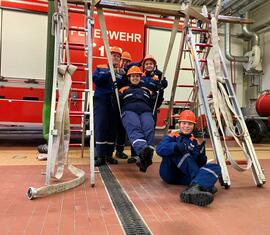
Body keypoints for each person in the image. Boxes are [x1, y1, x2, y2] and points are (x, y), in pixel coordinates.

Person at [156, 110, 221, 207]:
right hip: (169, 173)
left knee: (216, 167)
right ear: (179, 124)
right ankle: (203, 184)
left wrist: (201, 156)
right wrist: (175, 146)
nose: (186, 126)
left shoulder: (195, 142)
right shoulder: (172, 136)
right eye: (184, 123)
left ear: (193, 126)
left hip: (186, 176)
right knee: (180, 151)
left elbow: (198, 164)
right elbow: (159, 150)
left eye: (190, 124)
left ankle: (194, 189)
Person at [127, 54, 168, 164]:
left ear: (154, 65)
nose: (149, 65)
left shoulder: (159, 75)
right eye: (147, 64)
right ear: (143, 65)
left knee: (149, 129)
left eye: (151, 64)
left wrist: (161, 85)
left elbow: (162, 89)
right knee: (137, 128)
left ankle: (147, 154)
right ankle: (136, 154)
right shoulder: (140, 75)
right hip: (140, 104)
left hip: (151, 107)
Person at [119, 66, 155, 172]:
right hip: (129, 110)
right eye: (133, 76)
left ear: (140, 77)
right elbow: (116, 103)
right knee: (135, 127)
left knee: (149, 128)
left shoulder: (146, 90)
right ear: (129, 78)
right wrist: (113, 92)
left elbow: (154, 103)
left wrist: (159, 93)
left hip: (145, 111)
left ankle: (146, 158)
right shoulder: (123, 90)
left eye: (137, 76)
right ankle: (143, 151)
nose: (135, 78)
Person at [93, 46, 122, 166]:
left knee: (112, 128)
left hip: (114, 102)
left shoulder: (121, 72)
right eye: (113, 55)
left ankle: (109, 155)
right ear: (109, 56)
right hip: (101, 101)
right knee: (101, 126)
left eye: (117, 56)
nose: (115, 57)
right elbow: (96, 80)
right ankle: (99, 155)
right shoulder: (100, 68)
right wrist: (110, 72)